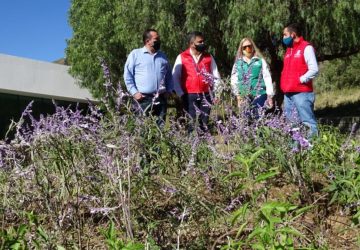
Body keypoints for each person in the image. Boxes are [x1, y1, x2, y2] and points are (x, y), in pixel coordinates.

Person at [172, 31, 221, 133]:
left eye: (203, 41)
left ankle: (204, 144)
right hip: (189, 95)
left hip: (206, 95)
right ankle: (192, 145)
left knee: (204, 121)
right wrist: (180, 93)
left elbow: (216, 76)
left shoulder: (208, 57)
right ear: (191, 44)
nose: (203, 43)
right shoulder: (182, 57)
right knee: (192, 122)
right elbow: (175, 77)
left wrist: (217, 93)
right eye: (200, 42)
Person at [124, 28, 173, 126]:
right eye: (156, 39)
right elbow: (127, 75)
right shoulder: (135, 54)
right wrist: (134, 92)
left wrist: (169, 90)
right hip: (143, 99)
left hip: (161, 98)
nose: (159, 41)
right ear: (147, 41)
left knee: (160, 129)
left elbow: (169, 75)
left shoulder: (162, 56)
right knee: (143, 128)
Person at [280, 23, 319, 139]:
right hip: (288, 94)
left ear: (293, 34)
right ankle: (295, 151)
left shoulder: (306, 47)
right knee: (292, 124)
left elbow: (314, 69)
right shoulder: (288, 51)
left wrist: (300, 80)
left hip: (302, 93)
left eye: (285, 35)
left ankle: (313, 149)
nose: (283, 38)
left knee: (308, 122)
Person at [230, 37, 274, 117]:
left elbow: (267, 78)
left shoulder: (260, 61)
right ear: (241, 49)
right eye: (245, 47)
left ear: (253, 47)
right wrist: (237, 95)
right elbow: (234, 80)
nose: (247, 49)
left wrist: (270, 95)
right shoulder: (238, 63)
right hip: (243, 95)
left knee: (259, 118)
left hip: (260, 94)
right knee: (246, 119)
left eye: (249, 46)